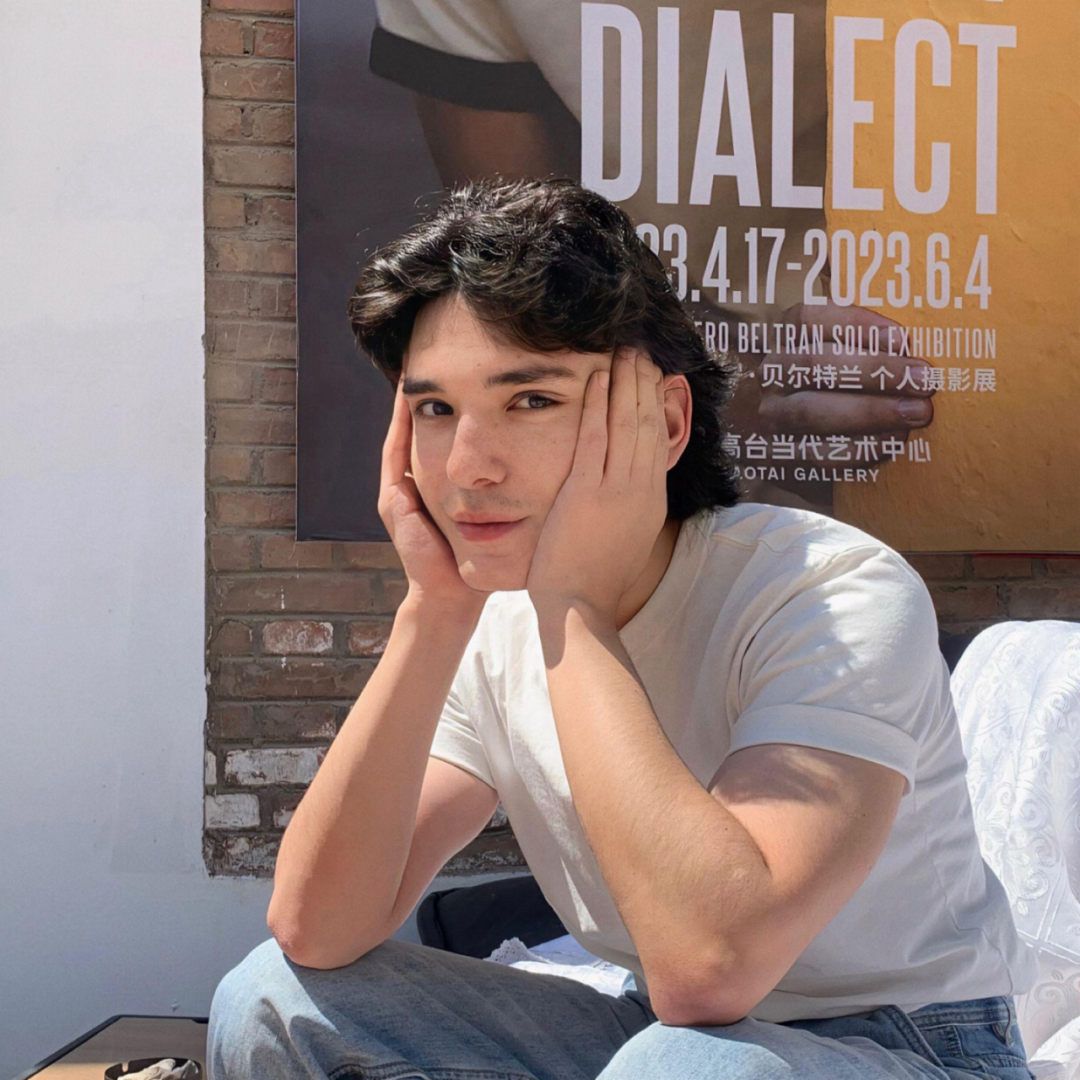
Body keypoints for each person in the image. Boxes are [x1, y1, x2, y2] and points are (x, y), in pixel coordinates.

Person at [206, 177, 1036, 1080]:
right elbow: (317, 926)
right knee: (273, 998)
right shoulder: (492, 622)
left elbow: (711, 966)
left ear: (665, 422)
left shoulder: (830, 592)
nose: (469, 467)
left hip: (913, 1044)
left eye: (530, 400)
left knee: (689, 1068)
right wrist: (432, 613)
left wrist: (572, 605)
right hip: (656, 1030)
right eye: (436, 409)